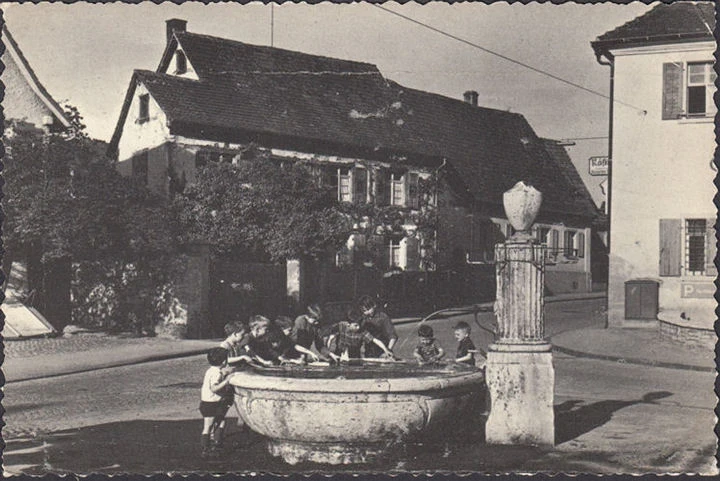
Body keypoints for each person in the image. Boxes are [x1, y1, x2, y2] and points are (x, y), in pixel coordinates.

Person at [199, 347, 234, 459]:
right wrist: (226, 381)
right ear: (224, 361)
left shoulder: (211, 370)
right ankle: (208, 448)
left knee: (220, 422)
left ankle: (215, 446)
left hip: (208, 403)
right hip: (211, 403)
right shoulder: (216, 373)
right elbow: (214, 388)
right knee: (209, 426)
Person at [327, 305, 394, 362]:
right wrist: (329, 352)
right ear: (348, 324)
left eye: (359, 325)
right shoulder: (341, 325)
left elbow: (375, 340)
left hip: (354, 354)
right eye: (355, 325)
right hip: (340, 352)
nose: (358, 327)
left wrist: (386, 350)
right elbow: (331, 337)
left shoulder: (362, 331)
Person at [247, 315, 319, 366]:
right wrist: (293, 361)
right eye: (289, 330)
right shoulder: (270, 337)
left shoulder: (283, 337)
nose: (291, 333)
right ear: (282, 329)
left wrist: (310, 353)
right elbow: (271, 353)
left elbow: (294, 345)